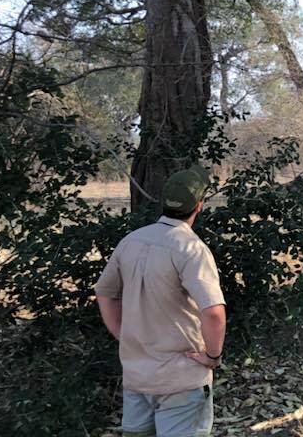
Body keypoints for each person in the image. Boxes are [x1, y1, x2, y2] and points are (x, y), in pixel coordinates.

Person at [95, 165, 226, 437]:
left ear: (163, 202)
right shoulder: (191, 249)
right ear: (199, 207)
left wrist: (122, 334)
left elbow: (105, 292)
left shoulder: (130, 241)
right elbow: (213, 313)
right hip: (181, 379)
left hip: (137, 377)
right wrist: (213, 356)